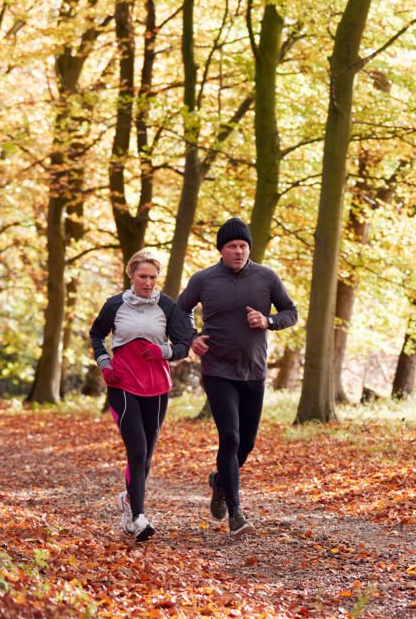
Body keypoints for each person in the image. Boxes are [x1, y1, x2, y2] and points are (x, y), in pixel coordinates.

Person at [177, 217, 298, 537]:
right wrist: (191, 338)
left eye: (243, 246)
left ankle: (219, 480)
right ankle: (236, 513)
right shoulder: (203, 280)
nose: (239, 251)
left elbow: (291, 312)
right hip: (218, 371)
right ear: (221, 250)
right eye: (232, 246)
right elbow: (180, 310)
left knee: (247, 443)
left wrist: (268, 321)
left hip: (254, 371)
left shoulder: (266, 277)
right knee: (229, 437)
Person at [89, 249, 196, 542]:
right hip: (122, 384)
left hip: (157, 387)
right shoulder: (114, 305)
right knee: (136, 451)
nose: (148, 282)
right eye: (142, 276)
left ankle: (128, 501)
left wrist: (163, 351)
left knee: (146, 456)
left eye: (152, 277)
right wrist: (104, 363)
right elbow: (96, 334)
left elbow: (185, 344)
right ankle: (138, 517)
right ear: (131, 275)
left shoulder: (167, 306)